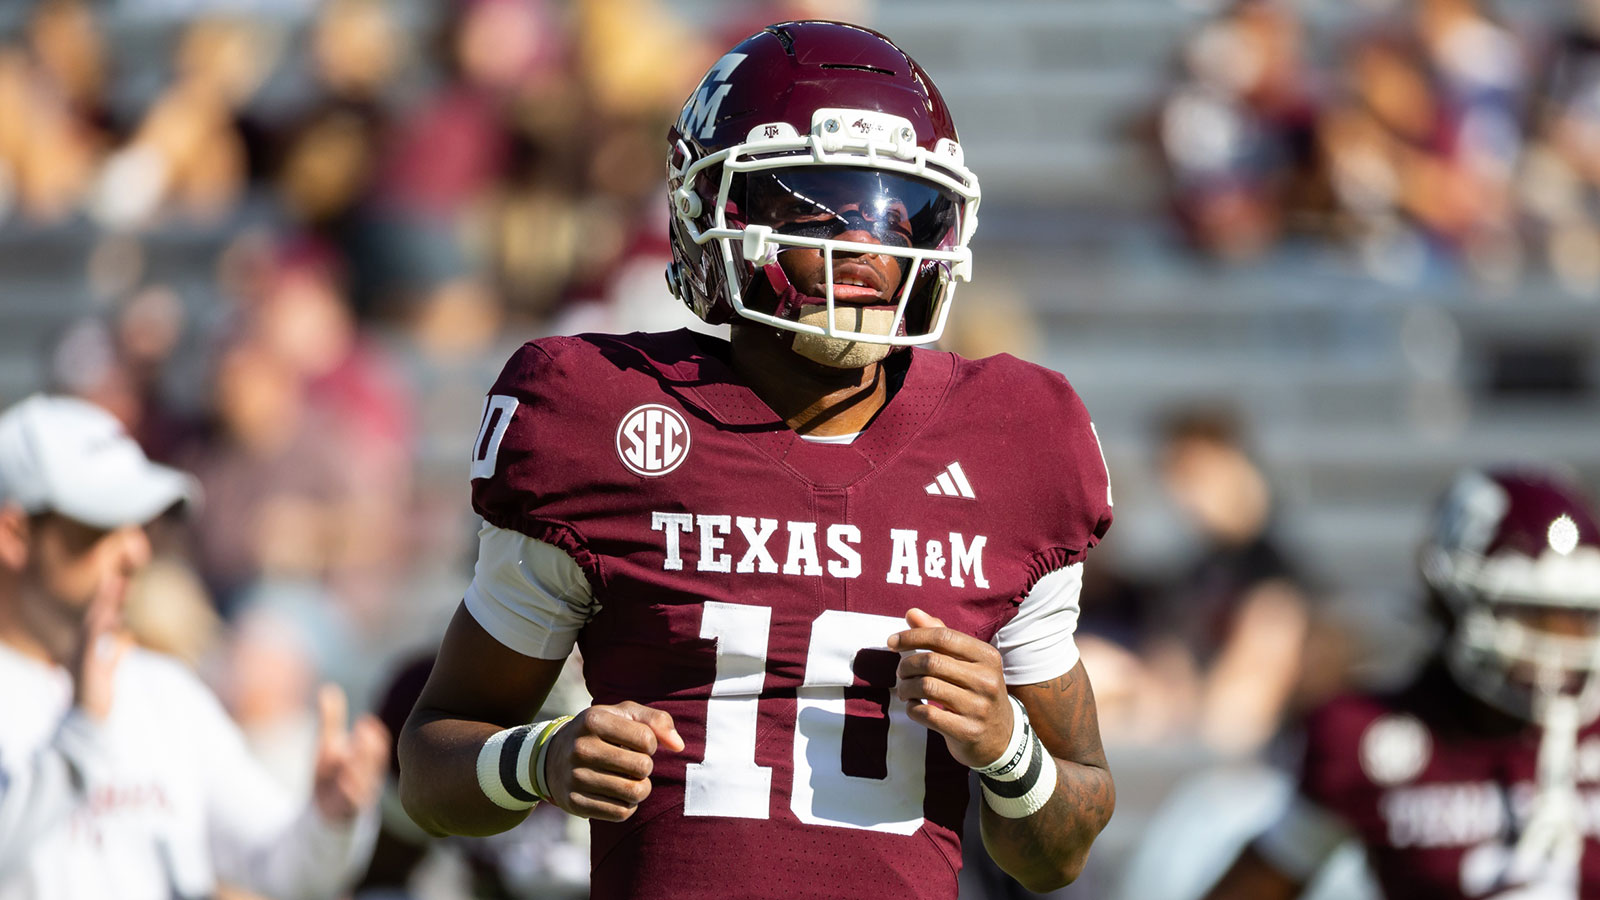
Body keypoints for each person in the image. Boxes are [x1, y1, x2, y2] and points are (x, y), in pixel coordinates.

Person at [399, 19, 1116, 900]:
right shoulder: (601, 415)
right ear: (715, 214)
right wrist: (537, 761)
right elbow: (433, 765)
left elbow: (1059, 854)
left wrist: (1007, 749)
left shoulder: (1013, 439)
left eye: (900, 209)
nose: (863, 247)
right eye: (819, 205)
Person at [0, 394, 389, 900]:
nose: (136, 551)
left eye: (141, 524)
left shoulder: (165, 691)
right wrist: (81, 734)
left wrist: (332, 818)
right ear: (13, 534)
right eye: (98, 524)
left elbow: (283, 868)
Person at [1201, 467, 1600, 900]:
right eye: (1531, 614)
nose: (1561, 644)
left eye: (1579, 618)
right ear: (1449, 603)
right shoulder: (1365, 739)